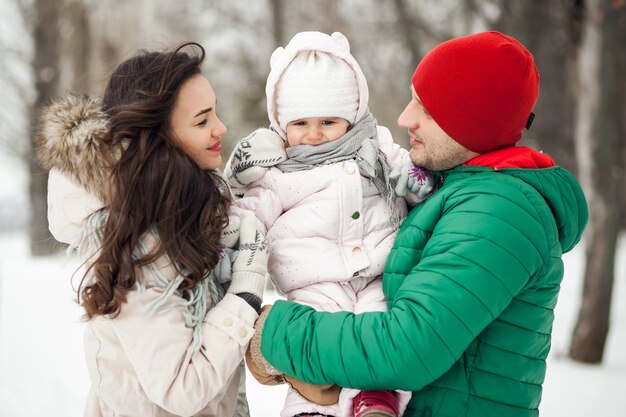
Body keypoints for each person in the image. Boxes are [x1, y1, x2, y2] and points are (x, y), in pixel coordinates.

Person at [246, 31, 589, 417]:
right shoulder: (455, 189)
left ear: (471, 121)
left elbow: (405, 349)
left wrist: (274, 331)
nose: (404, 118)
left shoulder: (498, 212)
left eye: (425, 107)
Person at [37, 42, 268, 417]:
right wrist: (244, 297)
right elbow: (182, 389)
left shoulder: (177, 217)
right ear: (157, 140)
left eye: (216, 113)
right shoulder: (136, 244)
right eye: (202, 120)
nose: (221, 128)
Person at [223, 31, 433, 417]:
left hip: (377, 271)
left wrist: (415, 182)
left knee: (380, 331)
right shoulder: (277, 173)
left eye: (328, 121)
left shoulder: (376, 147)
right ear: (282, 124)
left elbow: (406, 172)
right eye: (301, 122)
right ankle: (308, 410)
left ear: (351, 118)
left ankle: (377, 401)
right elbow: (251, 213)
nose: (315, 134)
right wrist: (227, 220)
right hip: (313, 282)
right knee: (314, 350)